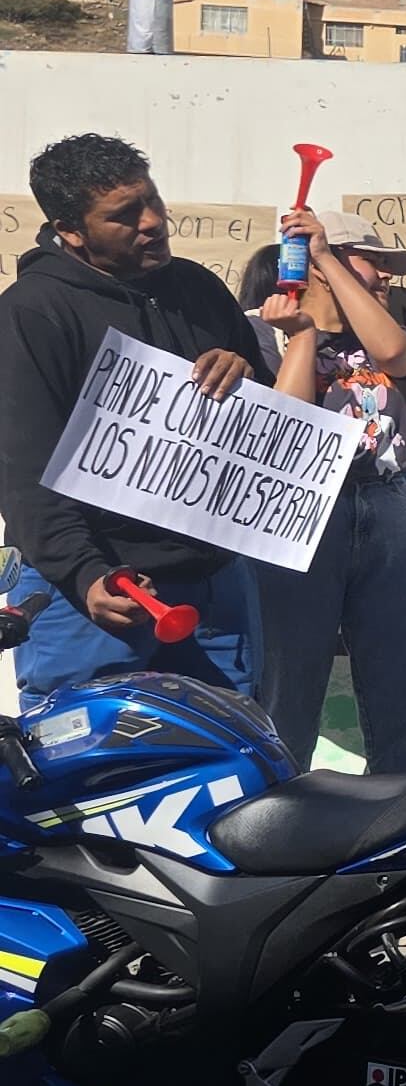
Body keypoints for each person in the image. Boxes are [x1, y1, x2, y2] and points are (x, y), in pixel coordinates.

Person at [0, 134, 269, 695]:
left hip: (215, 586)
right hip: (103, 596)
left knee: (233, 764)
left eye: (153, 200)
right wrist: (84, 574)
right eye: (124, 215)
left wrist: (244, 371)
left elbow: (267, 415)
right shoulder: (33, 311)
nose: (152, 221)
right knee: (98, 770)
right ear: (71, 232)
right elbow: (25, 469)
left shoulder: (197, 286)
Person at [242, 209, 406, 770]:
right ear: (330, 264)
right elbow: (285, 424)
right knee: (286, 679)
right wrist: (301, 334)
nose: (388, 276)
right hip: (297, 507)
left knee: (405, 673)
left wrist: (324, 257)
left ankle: (402, 806)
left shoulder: (380, 332)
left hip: (388, 494)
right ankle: (277, 816)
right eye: (375, 263)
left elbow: (397, 357)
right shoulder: (254, 326)